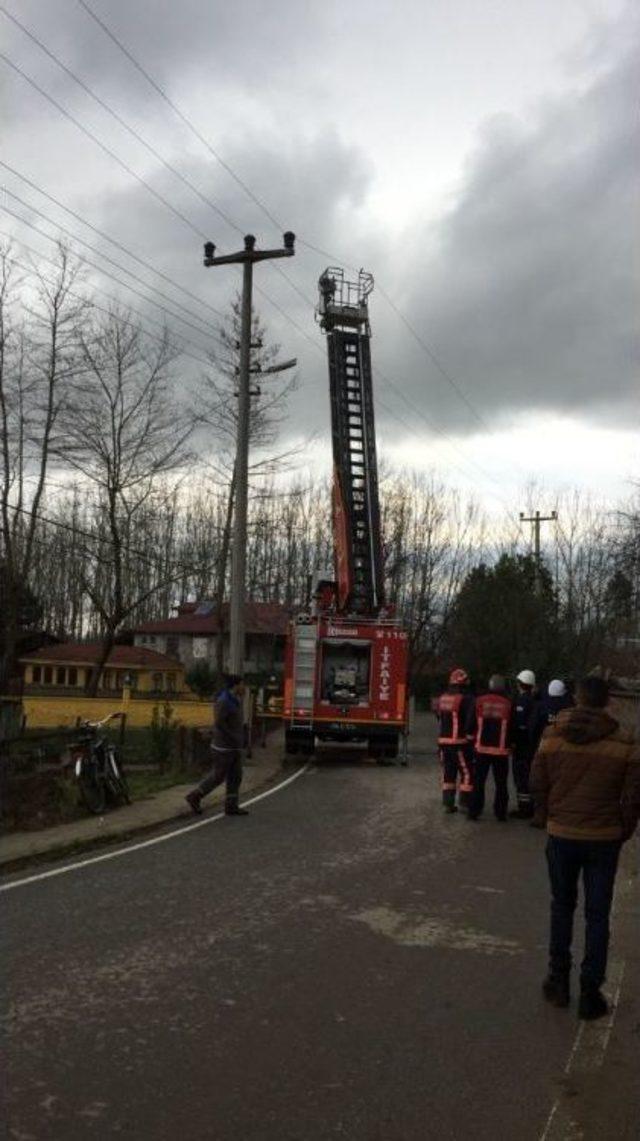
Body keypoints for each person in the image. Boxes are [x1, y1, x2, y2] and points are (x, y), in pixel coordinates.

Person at [530, 676, 640, 1020]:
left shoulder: (552, 737)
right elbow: (634, 793)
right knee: (597, 914)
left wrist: (546, 814)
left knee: (562, 907)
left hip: (562, 834)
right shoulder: (625, 742)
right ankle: (591, 992)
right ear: (608, 702)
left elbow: (537, 782)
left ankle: (558, 982)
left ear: (576, 700)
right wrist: (624, 827)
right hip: (603, 839)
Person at [186, 674, 249, 816]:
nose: (244, 687)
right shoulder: (224, 701)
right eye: (242, 684)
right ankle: (195, 796)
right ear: (236, 685)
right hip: (224, 747)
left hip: (234, 746)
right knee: (219, 775)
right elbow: (219, 723)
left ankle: (231, 805)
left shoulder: (235, 700)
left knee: (236, 775)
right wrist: (233, 737)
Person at [466, 674, 513, 822]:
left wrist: (470, 740)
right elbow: (512, 727)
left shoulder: (479, 701)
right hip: (501, 751)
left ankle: (474, 811)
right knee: (501, 783)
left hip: (481, 750)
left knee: (478, 782)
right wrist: (511, 745)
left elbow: (470, 724)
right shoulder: (508, 703)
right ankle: (500, 813)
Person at [436, 668, 475, 813]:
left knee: (448, 773)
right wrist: (470, 738)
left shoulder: (443, 697)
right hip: (459, 743)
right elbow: (470, 721)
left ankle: (448, 804)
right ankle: (465, 803)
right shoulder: (465, 699)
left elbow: (439, 717)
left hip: (443, 743)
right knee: (467, 773)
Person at [510, 668, 539, 818]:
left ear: (520, 683)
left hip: (521, 747)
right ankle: (531, 807)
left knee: (521, 778)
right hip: (532, 746)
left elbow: (518, 725)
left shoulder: (520, 701)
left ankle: (524, 809)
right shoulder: (535, 702)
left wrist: (512, 741)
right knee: (529, 776)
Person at [531, 679, 574, 751]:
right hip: (565, 746)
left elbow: (534, 727)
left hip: (545, 745)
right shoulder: (570, 707)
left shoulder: (541, 707)